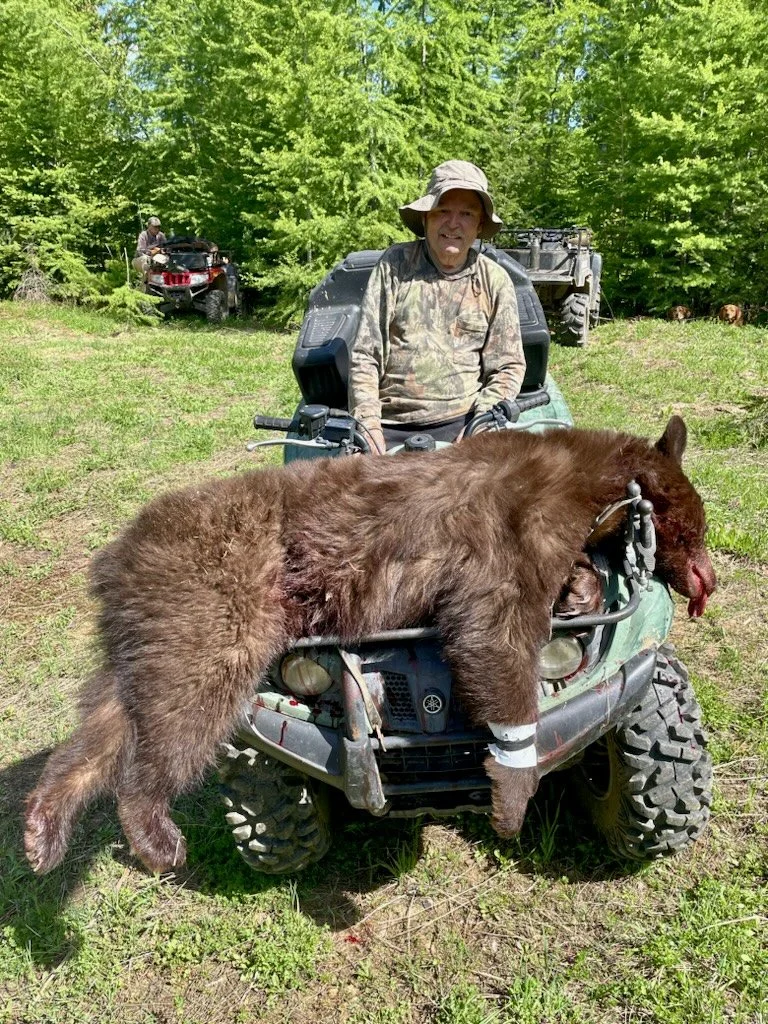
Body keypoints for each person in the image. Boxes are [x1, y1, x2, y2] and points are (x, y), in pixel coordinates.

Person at [348, 161, 526, 454]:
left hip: (464, 423)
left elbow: (508, 366)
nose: (453, 224)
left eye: (466, 214)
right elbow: (366, 355)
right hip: (389, 424)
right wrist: (368, 425)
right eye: (443, 211)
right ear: (426, 218)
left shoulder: (494, 280)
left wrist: (480, 424)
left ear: (480, 225)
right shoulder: (395, 266)